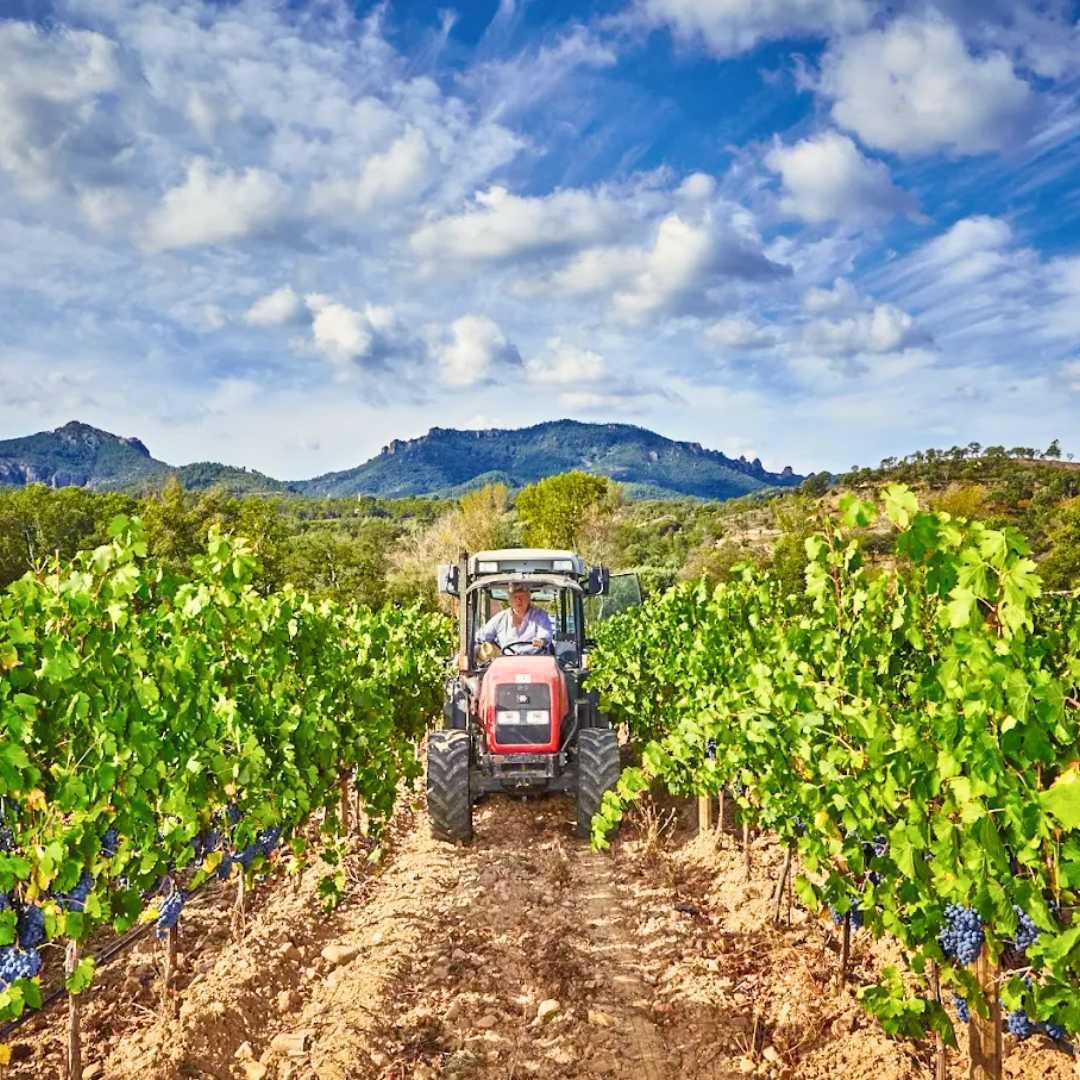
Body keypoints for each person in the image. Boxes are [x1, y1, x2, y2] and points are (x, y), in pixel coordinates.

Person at [476, 581, 553, 656]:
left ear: (529, 598)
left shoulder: (540, 615)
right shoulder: (500, 618)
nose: (519, 600)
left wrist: (541, 641)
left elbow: (546, 635)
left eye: (522, 596)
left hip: (535, 660)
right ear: (510, 600)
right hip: (507, 662)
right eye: (515, 597)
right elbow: (481, 637)